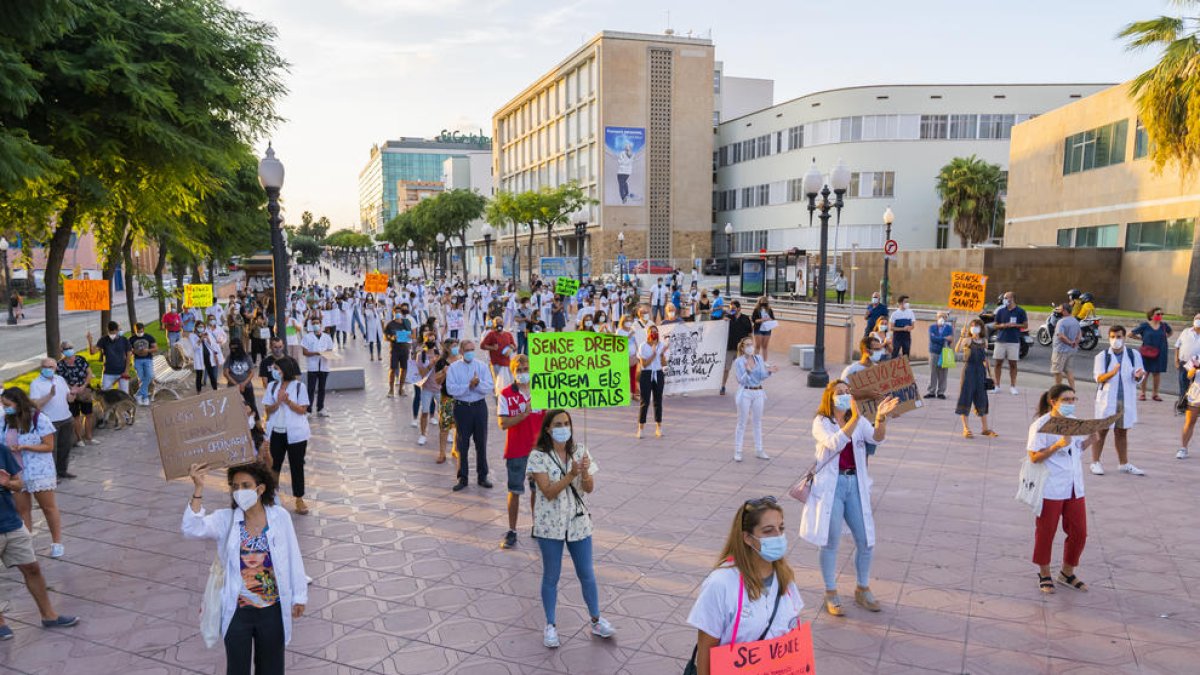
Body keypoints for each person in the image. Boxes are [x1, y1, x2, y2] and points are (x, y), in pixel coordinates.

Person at [182, 461, 307, 673]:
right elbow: (191, 528)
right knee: (237, 669)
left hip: (272, 610)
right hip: (238, 611)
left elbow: (293, 557)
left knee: (271, 669)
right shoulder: (226, 519)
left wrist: (299, 596)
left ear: (260, 489)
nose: (239, 491)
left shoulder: (279, 517)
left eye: (246, 486)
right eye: (235, 486)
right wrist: (198, 488)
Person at [803, 381, 899, 616]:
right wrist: (854, 418)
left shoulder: (857, 420)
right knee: (830, 540)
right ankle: (830, 591)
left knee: (866, 541)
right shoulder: (821, 422)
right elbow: (835, 442)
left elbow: (876, 439)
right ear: (830, 397)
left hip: (854, 483)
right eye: (840, 393)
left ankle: (862, 587)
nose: (845, 396)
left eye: (848, 392)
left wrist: (881, 418)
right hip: (831, 487)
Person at [526, 410, 614, 648]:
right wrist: (570, 474)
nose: (564, 427)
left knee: (587, 573)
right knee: (551, 576)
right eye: (558, 424)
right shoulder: (538, 456)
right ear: (548, 429)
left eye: (567, 423)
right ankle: (551, 625)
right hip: (550, 526)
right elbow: (548, 491)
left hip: (578, 523)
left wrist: (584, 472)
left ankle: (596, 619)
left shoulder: (580, 450)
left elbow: (589, 488)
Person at [686, 497, 804, 675]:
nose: (778, 537)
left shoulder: (785, 578)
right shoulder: (721, 583)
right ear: (747, 538)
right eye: (768, 531)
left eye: (781, 528)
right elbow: (706, 647)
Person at [0, 441, 79, 640]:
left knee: (32, 568)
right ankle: (0, 622)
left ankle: (49, 615)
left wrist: (8, 483)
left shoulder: (1, 450)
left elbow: (19, 484)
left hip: (11, 523)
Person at [1026, 385, 1094, 594]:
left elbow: (1077, 449)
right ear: (1053, 401)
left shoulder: (1075, 423)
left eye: (1074, 399)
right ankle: (1044, 573)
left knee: (1079, 532)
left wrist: (1092, 439)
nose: (1071, 404)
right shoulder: (1041, 425)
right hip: (1051, 486)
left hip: (1074, 486)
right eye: (1066, 400)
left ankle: (1067, 572)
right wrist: (1056, 446)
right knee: (1046, 532)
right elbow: (1034, 457)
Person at [2, 388, 66, 558]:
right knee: (22, 510)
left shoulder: (38, 418)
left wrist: (25, 447)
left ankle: (57, 542)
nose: (4, 407)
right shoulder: (5, 421)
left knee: (48, 507)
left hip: (39, 471)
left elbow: (49, 446)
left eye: (7, 404)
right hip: (16, 473)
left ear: (18, 403)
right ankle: (26, 545)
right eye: (3, 404)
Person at [497, 355, 545, 550]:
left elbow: (550, 418)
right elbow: (503, 423)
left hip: (539, 451)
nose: (523, 373)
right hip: (516, 450)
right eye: (519, 369)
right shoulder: (506, 394)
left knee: (538, 491)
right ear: (512, 371)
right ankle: (512, 530)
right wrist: (523, 414)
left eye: (526, 369)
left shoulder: (542, 392)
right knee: (515, 491)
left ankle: (537, 526)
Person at [1090, 326, 1146, 477]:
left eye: (1119, 336)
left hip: (1124, 399)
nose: (1116, 340)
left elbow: (1139, 375)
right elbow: (1098, 378)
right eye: (1113, 337)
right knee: (1101, 431)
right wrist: (1112, 372)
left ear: (1124, 338)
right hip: (1107, 400)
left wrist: (1138, 376)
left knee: (1121, 432)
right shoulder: (1102, 356)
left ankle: (1123, 463)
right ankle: (1095, 462)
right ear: (1109, 338)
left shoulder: (1133, 354)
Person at [262, 356, 312, 515]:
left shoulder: (299, 387)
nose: (275, 372)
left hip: (296, 433)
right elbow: (267, 410)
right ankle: (272, 496)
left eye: (277, 369)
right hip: (276, 431)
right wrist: (278, 402)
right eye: (274, 369)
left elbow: (303, 410)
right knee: (274, 466)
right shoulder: (271, 386)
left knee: (297, 465)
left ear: (285, 370)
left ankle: (299, 498)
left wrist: (288, 401)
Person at [446, 339, 495, 491]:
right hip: (462, 409)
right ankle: (463, 477)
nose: (470, 352)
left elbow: (489, 386)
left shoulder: (481, 366)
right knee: (463, 443)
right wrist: (468, 386)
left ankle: (482, 476)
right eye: (467, 350)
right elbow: (451, 389)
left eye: (472, 349)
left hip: (479, 407)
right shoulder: (453, 368)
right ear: (461, 352)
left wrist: (477, 383)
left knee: (481, 443)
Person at [733, 336, 777, 462]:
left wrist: (769, 371)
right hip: (745, 392)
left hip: (758, 392)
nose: (750, 347)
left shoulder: (758, 358)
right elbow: (741, 380)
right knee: (742, 422)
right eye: (747, 345)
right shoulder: (739, 361)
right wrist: (748, 371)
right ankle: (738, 450)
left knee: (757, 422)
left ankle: (759, 449)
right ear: (742, 347)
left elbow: (761, 376)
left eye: (751, 344)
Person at [29, 359, 75, 480]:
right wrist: (50, 395)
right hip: (50, 422)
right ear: (41, 367)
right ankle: (52, 475)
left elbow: (69, 399)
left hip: (66, 418)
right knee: (51, 450)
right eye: (46, 366)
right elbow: (36, 405)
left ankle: (62, 471)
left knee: (65, 447)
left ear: (56, 368)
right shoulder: (36, 383)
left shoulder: (60, 379)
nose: (49, 369)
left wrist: (73, 394)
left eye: (51, 367)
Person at [955, 319, 997, 438]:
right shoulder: (967, 340)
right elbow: (957, 350)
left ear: (981, 328)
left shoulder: (984, 341)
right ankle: (966, 428)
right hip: (969, 371)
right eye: (972, 326)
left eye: (977, 326)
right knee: (965, 397)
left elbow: (986, 360)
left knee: (982, 398)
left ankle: (985, 428)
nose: (974, 328)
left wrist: (991, 375)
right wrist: (961, 337)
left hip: (980, 372)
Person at [57, 341, 98, 447]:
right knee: (76, 416)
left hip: (85, 390)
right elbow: (61, 380)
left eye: (70, 347)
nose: (69, 350)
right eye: (66, 348)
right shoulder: (60, 364)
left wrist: (83, 386)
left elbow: (89, 373)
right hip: (71, 393)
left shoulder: (80, 359)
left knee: (89, 414)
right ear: (62, 351)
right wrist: (72, 389)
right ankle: (79, 439)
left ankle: (89, 437)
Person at [1131, 307, 1172, 401]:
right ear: (1151, 315)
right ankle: (1143, 393)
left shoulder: (1164, 325)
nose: (1160, 316)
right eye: (1158, 314)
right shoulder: (1145, 325)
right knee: (1145, 372)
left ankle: (1155, 394)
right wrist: (1141, 339)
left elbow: (1170, 332)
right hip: (1147, 351)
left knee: (1157, 373)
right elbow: (1131, 334)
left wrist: (1165, 338)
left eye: (1162, 314)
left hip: (1160, 351)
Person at [992, 291, 1027, 395]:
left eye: (1006, 297)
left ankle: (1013, 386)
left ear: (1012, 299)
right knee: (998, 363)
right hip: (1000, 340)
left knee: (1013, 364)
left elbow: (1025, 325)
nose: (1004, 299)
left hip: (1014, 341)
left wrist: (1015, 325)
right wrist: (1003, 325)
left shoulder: (1020, 311)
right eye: (1004, 298)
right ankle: (997, 385)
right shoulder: (1001, 311)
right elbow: (995, 325)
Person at [636, 325, 668, 439]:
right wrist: (654, 353)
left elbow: (664, 364)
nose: (654, 334)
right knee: (645, 402)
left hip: (658, 373)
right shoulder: (643, 346)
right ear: (648, 334)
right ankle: (641, 428)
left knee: (658, 401)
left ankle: (659, 427)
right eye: (652, 332)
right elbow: (644, 364)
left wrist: (662, 354)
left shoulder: (661, 345)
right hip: (647, 374)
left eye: (656, 332)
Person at [720, 300, 753, 396]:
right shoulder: (728, 318)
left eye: (734, 308)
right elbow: (720, 322)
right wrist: (724, 319)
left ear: (739, 308)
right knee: (726, 368)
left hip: (741, 350)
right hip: (730, 348)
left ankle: (746, 386)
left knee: (744, 369)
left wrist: (751, 345)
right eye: (731, 308)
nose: (732, 310)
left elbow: (750, 333)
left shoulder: (746, 319)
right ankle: (722, 386)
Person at [301, 320, 333, 418]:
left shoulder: (327, 337)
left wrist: (324, 353)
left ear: (320, 325)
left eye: (317, 323)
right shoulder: (307, 337)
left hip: (324, 366)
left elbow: (330, 350)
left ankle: (320, 408)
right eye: (313, 323)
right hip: (312, 367)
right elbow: (305, 352)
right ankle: (308, 410)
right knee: (310, 389)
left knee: (322, 389)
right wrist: (316, 353)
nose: (316, 325)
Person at [89, 322, 132, 392]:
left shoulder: (124, 340)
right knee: (105, 394)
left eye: (114, 333)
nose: (112, 335)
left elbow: (129, 356)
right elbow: (93, 352)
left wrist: (126, 371)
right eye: (110, 333)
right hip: (108, 372)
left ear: (117, 330)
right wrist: (90, 342)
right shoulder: (103, 340)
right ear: (108, 330)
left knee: (124, 394)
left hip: (122, 372)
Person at [383, 304, 415, 397]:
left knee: (404, 369)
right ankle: (391, 389)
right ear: (393, 313)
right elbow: (385, 337)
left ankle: (401, 389)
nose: (397, 314)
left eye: (399, 312)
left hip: (405, 349)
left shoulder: (406, 322)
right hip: (394, 349)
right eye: (396, 312)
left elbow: (413, 335)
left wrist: (410, 336)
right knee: (393, 369)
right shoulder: (390, 324)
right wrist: (391, 337)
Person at [224, 338, 258, 417]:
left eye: (235, 348)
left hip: (247, 386)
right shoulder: (229, 358)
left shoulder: (246, 357)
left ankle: (257, 427)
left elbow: (252, 372)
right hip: (233, 388)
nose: (233, 350)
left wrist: (243, 384)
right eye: (231, 348)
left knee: (252, 407)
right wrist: (236, 385)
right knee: (234, 408)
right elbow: (226, 373)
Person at [480, 318, 516, 394]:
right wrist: (492, 348)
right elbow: (482, 346)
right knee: (498, 383)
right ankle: (498, 399)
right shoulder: (491, 334)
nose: (499, 324)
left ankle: (506, 398)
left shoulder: (508, 334)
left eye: (501, 322)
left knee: (509, 383)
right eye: (497, 322)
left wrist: (512, 347)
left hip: (507, 363)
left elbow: (514, 347)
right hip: (496, 363)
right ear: (494, 324)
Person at [1051, 303, 1081, 388]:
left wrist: (1069, 342)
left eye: (1060, 309)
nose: (1058, 311)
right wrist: (1075, 342)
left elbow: (1060, 335)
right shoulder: (1075, 321)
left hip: (1060, 351)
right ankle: (1072, 389)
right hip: (1072, 350)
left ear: (1064, 311)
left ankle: (1058, 390)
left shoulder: (1061, 322)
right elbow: (1079, 334)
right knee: (1069, 371)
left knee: (1057, 371)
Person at [925, 312, 954, 399]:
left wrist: (941, 339)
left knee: (943, 373)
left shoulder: (949, 328)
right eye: (940, 317)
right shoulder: (932, 327)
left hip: (944, 352)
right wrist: (944, 338)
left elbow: (950, 339)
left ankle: (941, 392)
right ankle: (931, 391)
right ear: (937, 318)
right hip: (934, 352)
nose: (942, 318)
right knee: (933, 372)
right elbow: (933, 339)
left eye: (944, 317)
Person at [129, 322, 158, 406]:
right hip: (137, 360)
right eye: (138, 331)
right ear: (135, 330)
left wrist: (147, 351)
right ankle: (144, 397)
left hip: (147, 359)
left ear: (143, 330)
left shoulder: (148, 337)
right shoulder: (131, 339)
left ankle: (138, 394)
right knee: (141, 379)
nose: (140, 333)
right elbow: (128, 350)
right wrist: (134, 351)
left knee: (150, 375)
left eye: (141, 331)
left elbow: (155, 348)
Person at [751, 296, 776, 363]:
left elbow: (773, 318)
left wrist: (770, 319)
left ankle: (764, 362)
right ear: (759, 303)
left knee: (765, 347)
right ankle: (755, 362)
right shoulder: (756, 310)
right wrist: (762, 320)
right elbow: (754, 320)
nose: (764, 305)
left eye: (765, 303)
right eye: (762, 303)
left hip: (767, 329)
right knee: (758, 346)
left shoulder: (769, 310)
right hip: (758, 329)